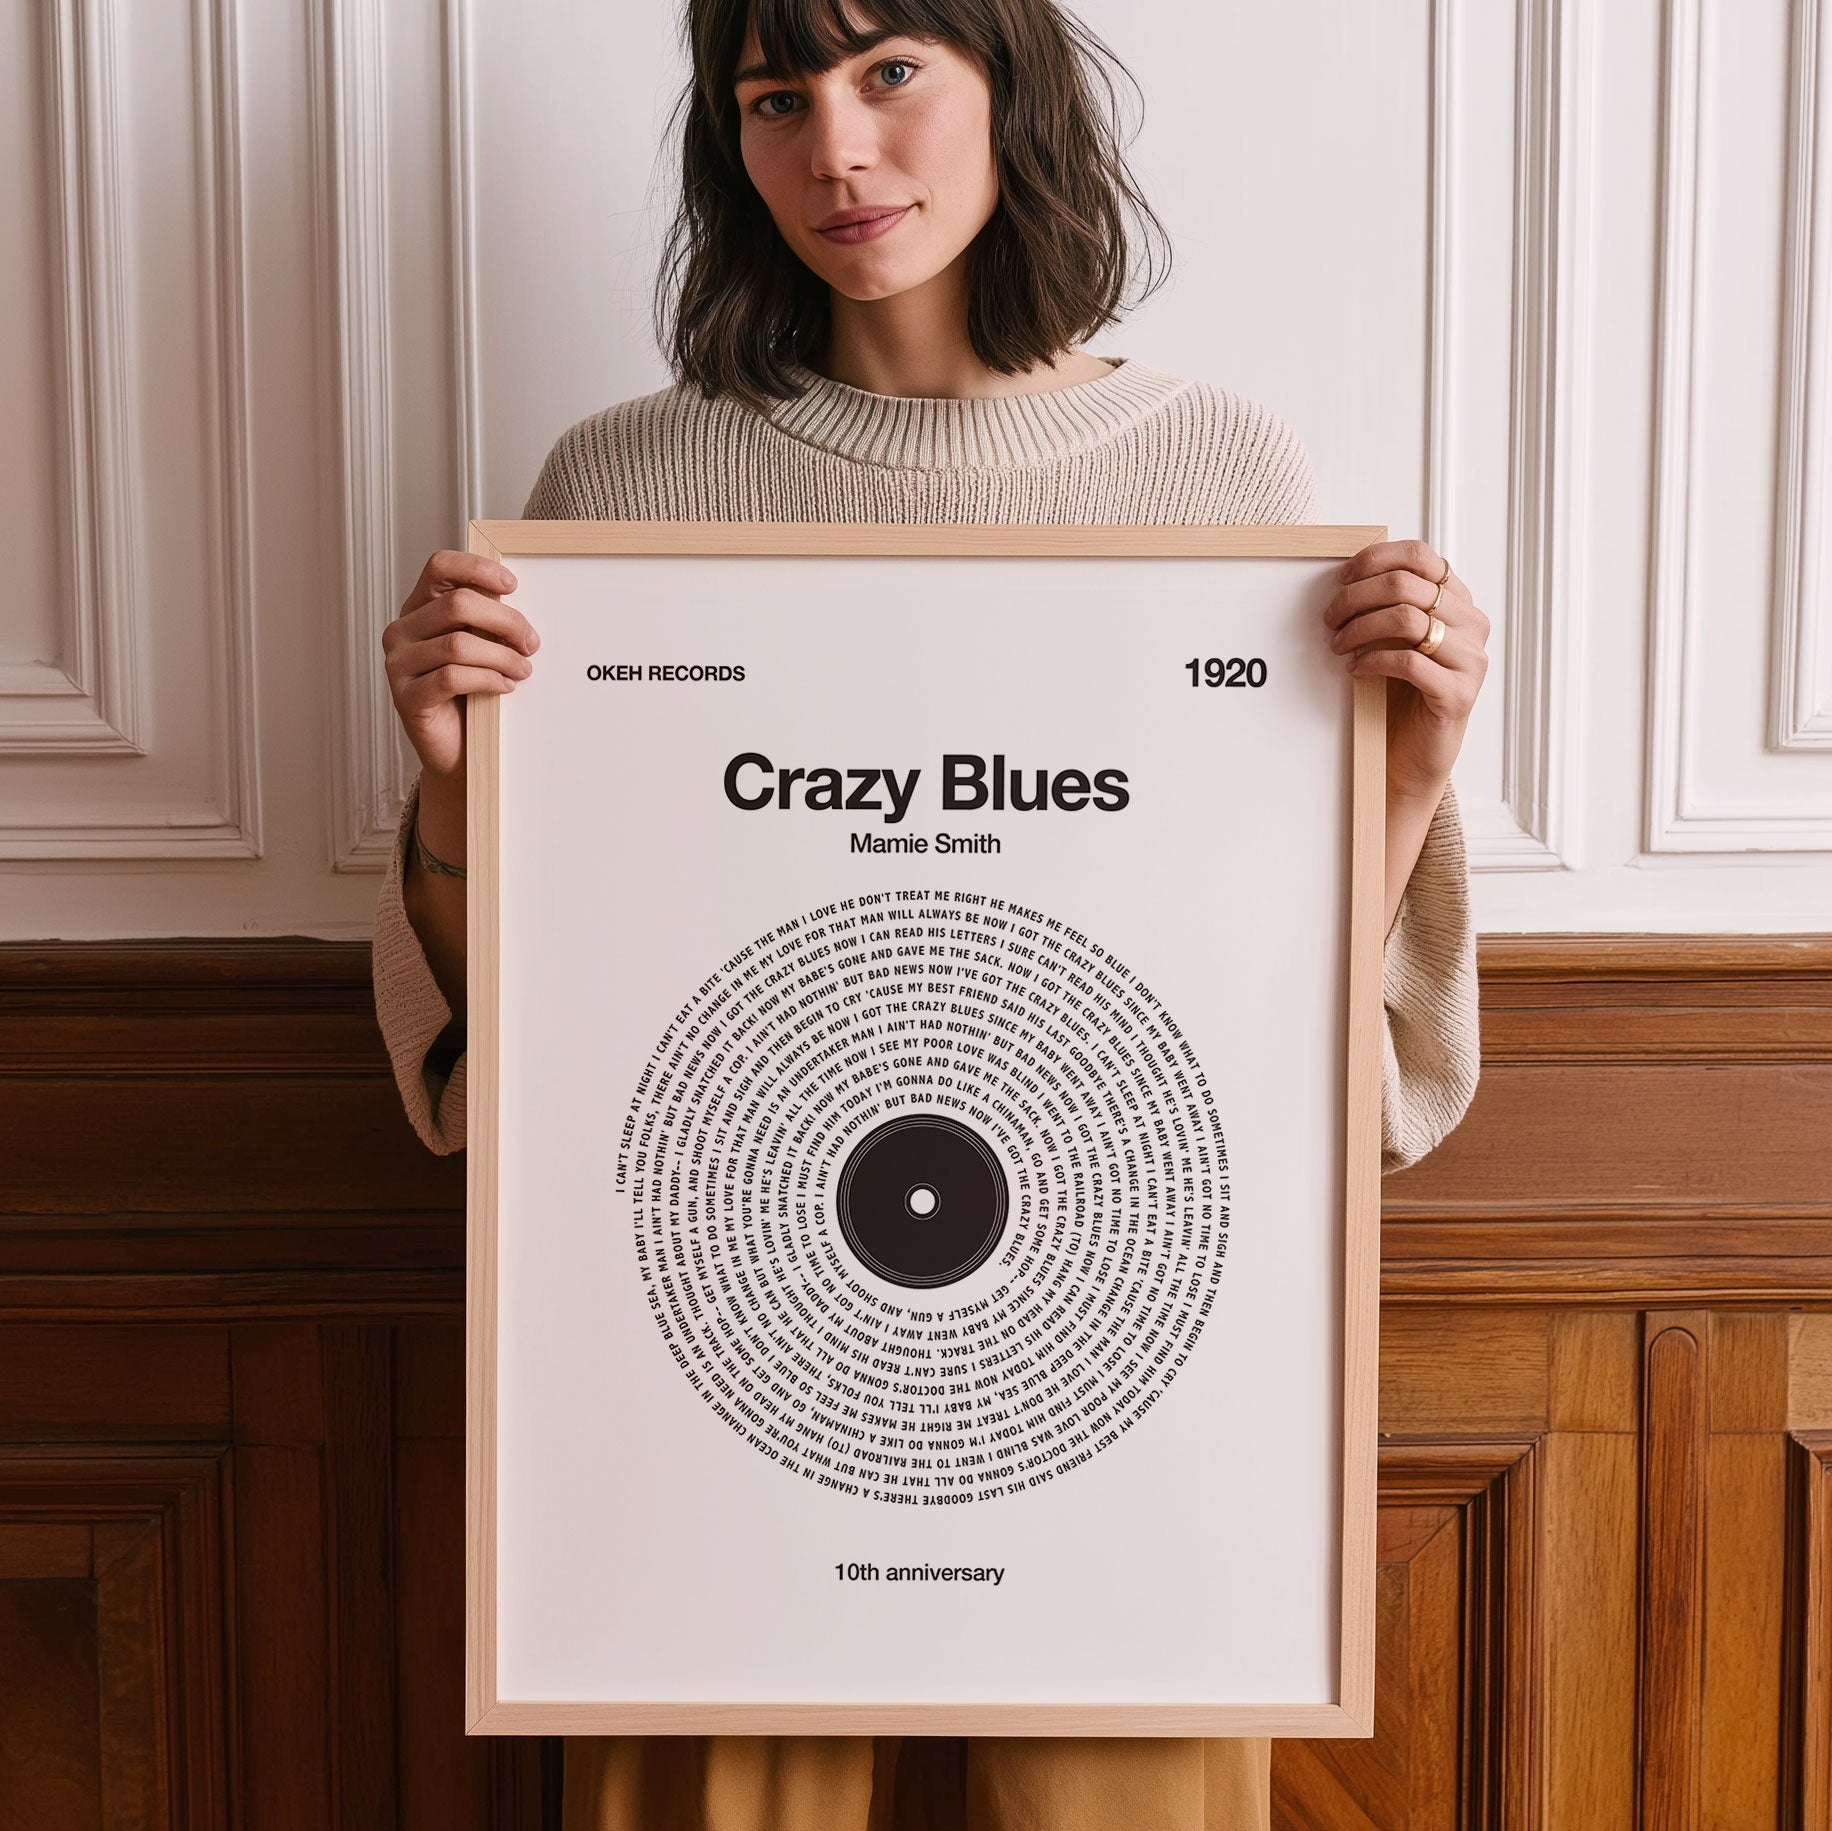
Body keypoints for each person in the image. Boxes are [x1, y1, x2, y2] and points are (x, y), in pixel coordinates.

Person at [371, 0, 1487, 1824]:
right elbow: (532, 1062)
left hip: (1115, 1353)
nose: (835, 148)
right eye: (773, 96)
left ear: (1009, 82)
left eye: (890, 69)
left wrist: (1412, 770)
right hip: (727, 1345)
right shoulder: (618, 498)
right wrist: (447, 781)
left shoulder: (1226, 485)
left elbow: (1284, 1065)